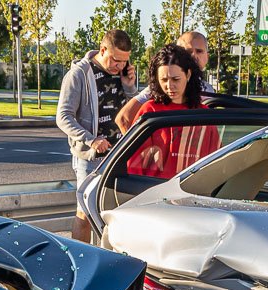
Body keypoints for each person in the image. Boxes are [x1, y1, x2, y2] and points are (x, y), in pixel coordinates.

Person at [57, 29, 140, 242]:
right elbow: (63, 117)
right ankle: (81, 261)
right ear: (103, 49)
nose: (119, 66)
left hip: (119, 155)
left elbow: (130, 111)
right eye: (115, 60)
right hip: (90, 158)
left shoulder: (122, 73)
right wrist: (91, 140)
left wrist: (130, 88)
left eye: (124, 61)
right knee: (84, 212)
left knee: (117, 213)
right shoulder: (79, 74)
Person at [126, 45, 219, 181]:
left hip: (193, 193)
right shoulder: (149, 110)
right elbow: (134, 162)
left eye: (175, 79)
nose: (169, 86)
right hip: (154, 193)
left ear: (188, 75)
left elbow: (215, 161)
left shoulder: (203, 115)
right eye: (163, 80)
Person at [116, 31, 213, 134]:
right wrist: (142, 147)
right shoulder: (159, 89)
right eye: (188, 52)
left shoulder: (209, 90)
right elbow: (124, 119)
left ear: (207, 56)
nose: (194, 56)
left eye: (199, 51)